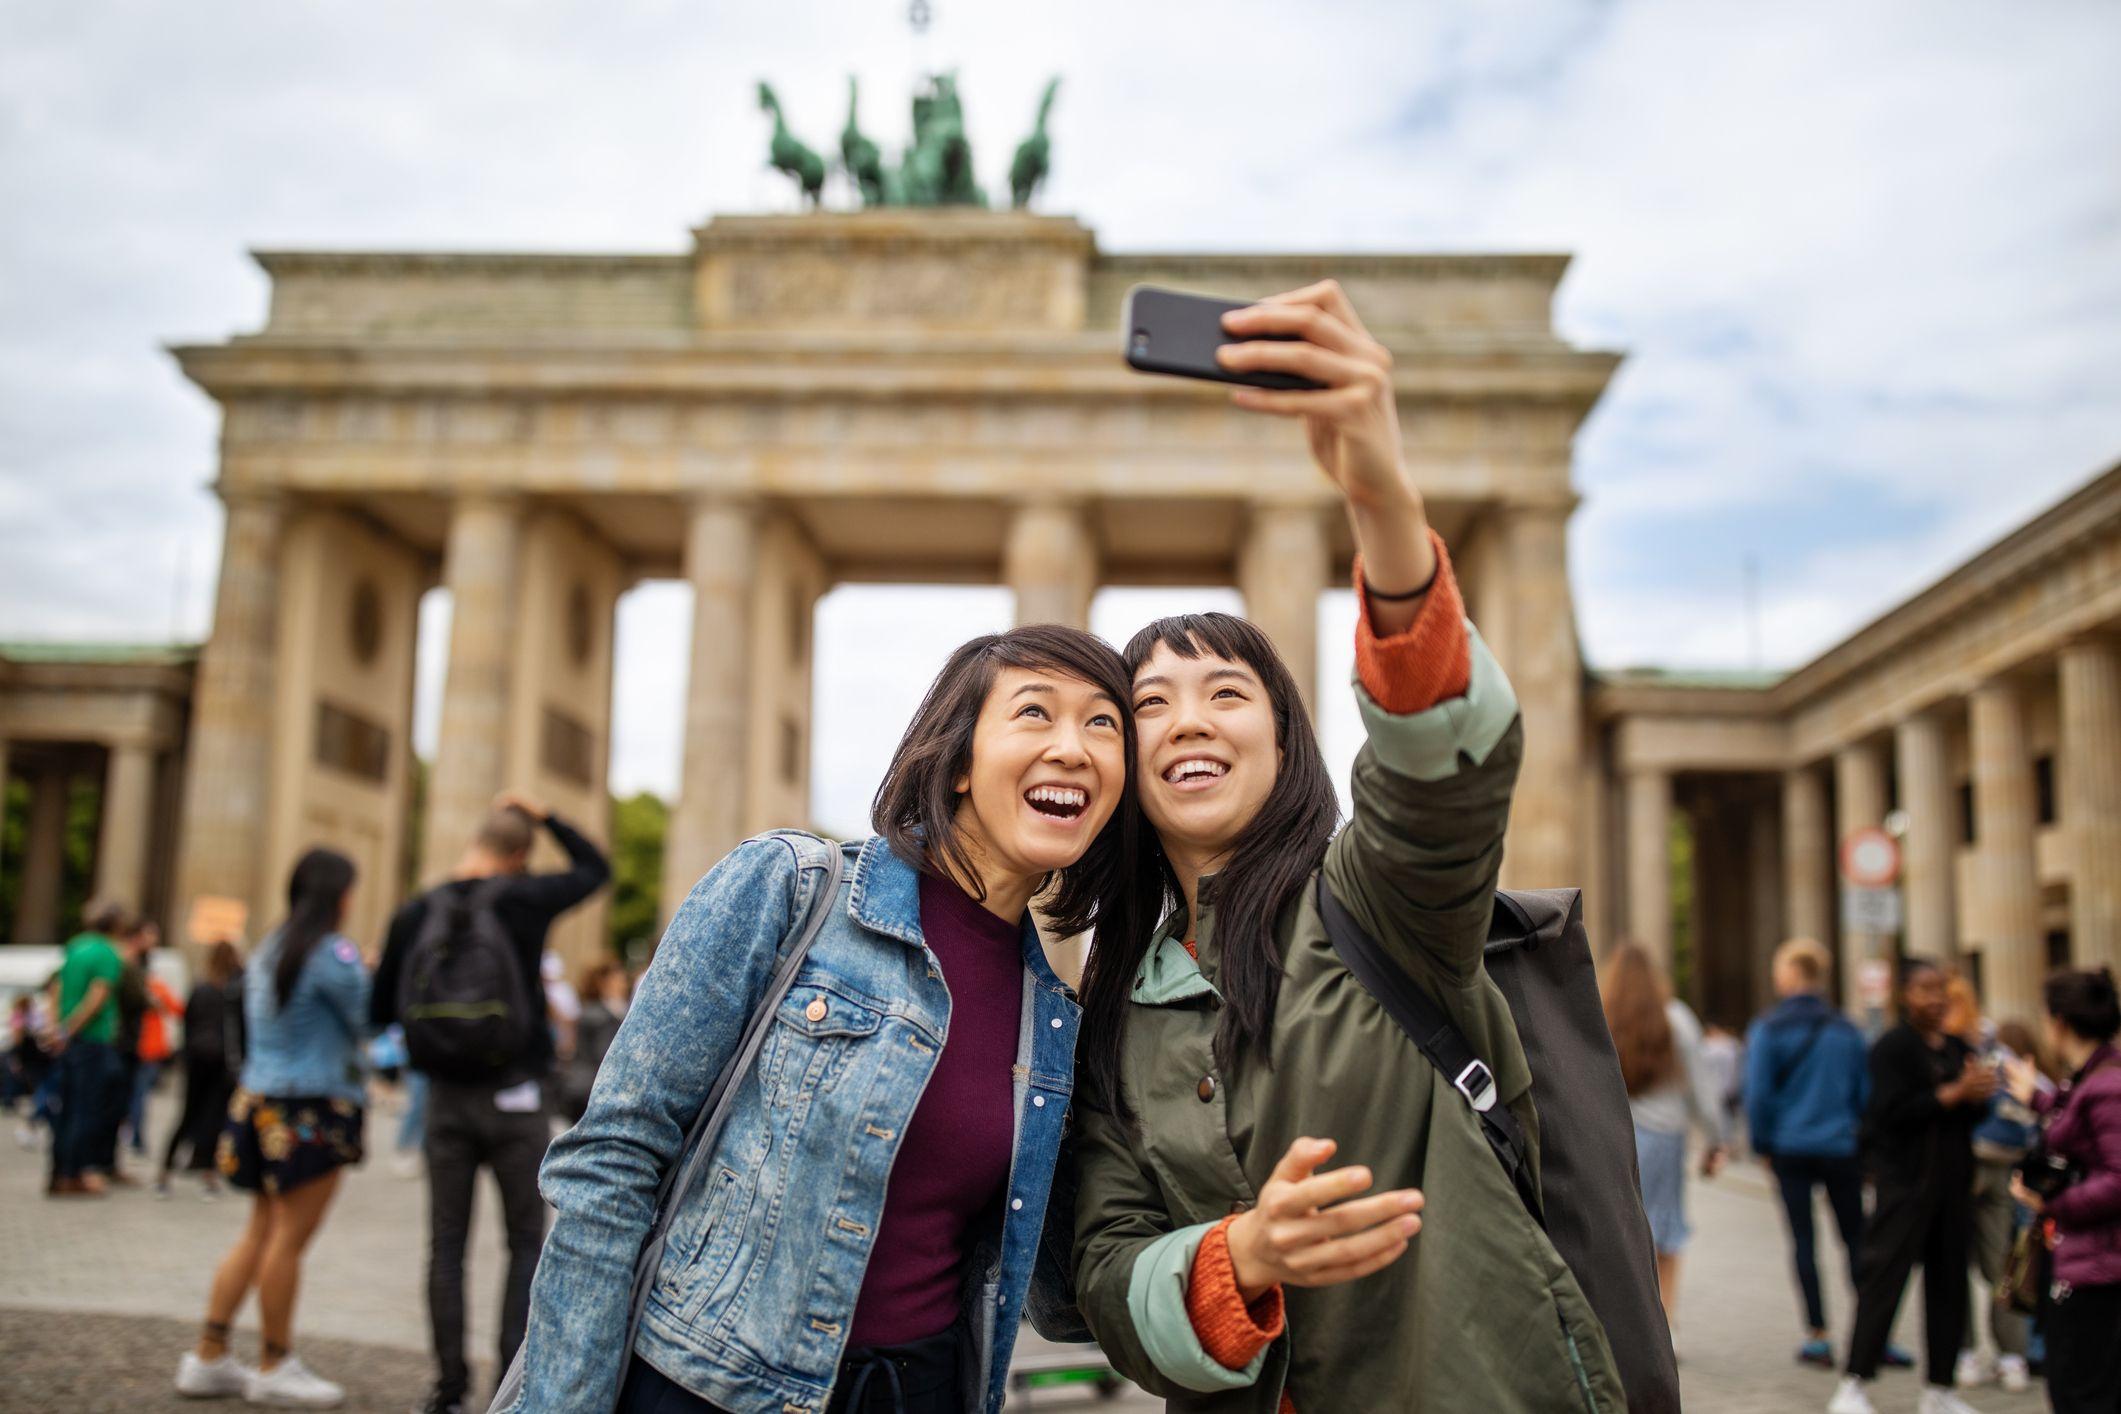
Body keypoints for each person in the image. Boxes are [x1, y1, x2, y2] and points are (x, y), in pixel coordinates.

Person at [1070, 281, 1624, 1411]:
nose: (1187, 719)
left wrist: (1379, 495)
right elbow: (1104, 1268)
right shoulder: (1110, 1015)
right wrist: (1243, 1259)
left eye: (1227, 692)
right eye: (1149, 702)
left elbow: (1440, 776)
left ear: (1287, 739)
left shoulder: (1374, 904)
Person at [507, 624, 1133, 1414]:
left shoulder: (1054, 1019)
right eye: (1036, 713)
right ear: (960, 761)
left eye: (1103, 724)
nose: (1073, 747)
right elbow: (611, 1161)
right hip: (705, 1388)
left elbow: (1058, 1294)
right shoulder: (789, 890)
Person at [372, 794, 611, 1414]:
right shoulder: (521, 902)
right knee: (524, 1243)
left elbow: (380, 1009)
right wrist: (547, 813)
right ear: (520, 855)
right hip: (516, 1100)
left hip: (445, 1102)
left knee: (445, 1246)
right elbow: (595, 870)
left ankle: (446, 1391)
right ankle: (507, 1386)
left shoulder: (416, 911)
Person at [175, 848, 369, 1408]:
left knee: (258, 1232)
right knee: (288, 1241)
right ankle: (274, 1362)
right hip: (311, 1110)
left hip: (257, 1102)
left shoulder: (269, 946)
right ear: (339, 895)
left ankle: (208, 1356)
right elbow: (369, 1018)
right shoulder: (333, 952)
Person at [1829, 958, 1995, 1414]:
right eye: (1925, 989)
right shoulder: (1891, 1048)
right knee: (1884, 1280)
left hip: (1953, 1185)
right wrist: (1952, 1094)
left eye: (1940, 988)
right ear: (1905, 995)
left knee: (1949, 1285)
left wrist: (1978, 1094)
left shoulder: (1960, 1047)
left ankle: (1940, 1389)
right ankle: (1853, 1382)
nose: (1936, 998)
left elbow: (1973, 1116)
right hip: (1904, 1185)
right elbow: (1887, 1114)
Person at [1746, 937, 1872, 1368]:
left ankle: (1818, 1335)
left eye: (1779, 969)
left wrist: (1762, 1144)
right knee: (1856, 1239)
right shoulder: (1846, 1028)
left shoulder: (1769, 1027)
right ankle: (1872, 1331)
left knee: (1804, 1241)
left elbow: (1758, 1095)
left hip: (1790, 1147)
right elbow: (1863, 1094)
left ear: (1793, 974)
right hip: (1841, 1146)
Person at [2002, 967, 2120, 1414]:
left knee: (2083, 1394)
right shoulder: (2094, 1078)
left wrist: (2052, 1202)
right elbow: (2082, 1131)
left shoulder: (2106, 1085)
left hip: (2101, 1272)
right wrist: (2035, 1098)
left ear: (2059, 1022)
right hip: (2086, 1263)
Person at [1601, 942, 1727, 1334]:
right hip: (1665, 1137)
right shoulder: (1676, 1019)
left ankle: (1621, 1326)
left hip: (1613, 1134)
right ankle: (1663, 1327)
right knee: (1665, 1235)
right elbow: (1701, 1089)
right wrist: (1715, 1139)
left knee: (1619, 1228)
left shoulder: (1600, 1016)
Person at [1955, 1016, 2042, 1393]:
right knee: (1990, 1264)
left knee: (1980, 1264)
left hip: (1983, 1165)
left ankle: (1982, 1355)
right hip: (1994, 1167)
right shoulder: (2021, 1069)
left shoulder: (1987, 1060)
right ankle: (1998, 1356)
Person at [45, 901, 130, 1197]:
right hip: (91, 1040)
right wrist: (71, 1028)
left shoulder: (76, 945)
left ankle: (57, 1173)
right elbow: (96, 998)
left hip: (67, 1041)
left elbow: (55, 987)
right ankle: (75, 1174)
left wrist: (57, 1028)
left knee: (65, 1108)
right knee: (86, 1109)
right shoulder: (108, 953)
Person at [158, 939, 245, 1199]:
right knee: (214, 1119)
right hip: (222, 1061)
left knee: (187, 1115)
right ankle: (208, 1175)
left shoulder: (201, 988)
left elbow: (188, 1022)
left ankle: (164, 1173)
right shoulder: (234, 991)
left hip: (197, 1058)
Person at [124, 920, 184, 1162]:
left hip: (144, 1047)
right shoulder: (153, 985)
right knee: (139, 1095)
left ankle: (134, 1135)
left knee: (136, 1094)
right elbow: (179, 1009)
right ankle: (135, 1137)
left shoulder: (152, 985)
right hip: (145, 1047)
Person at [557, 960, 630, 1124]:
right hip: (591, 1089)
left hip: (580, 1084)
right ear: (604, 983)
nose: (624, 984)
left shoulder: (591, 1010)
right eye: (619, 979)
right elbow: (605, 1056)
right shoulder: (603, 1016)